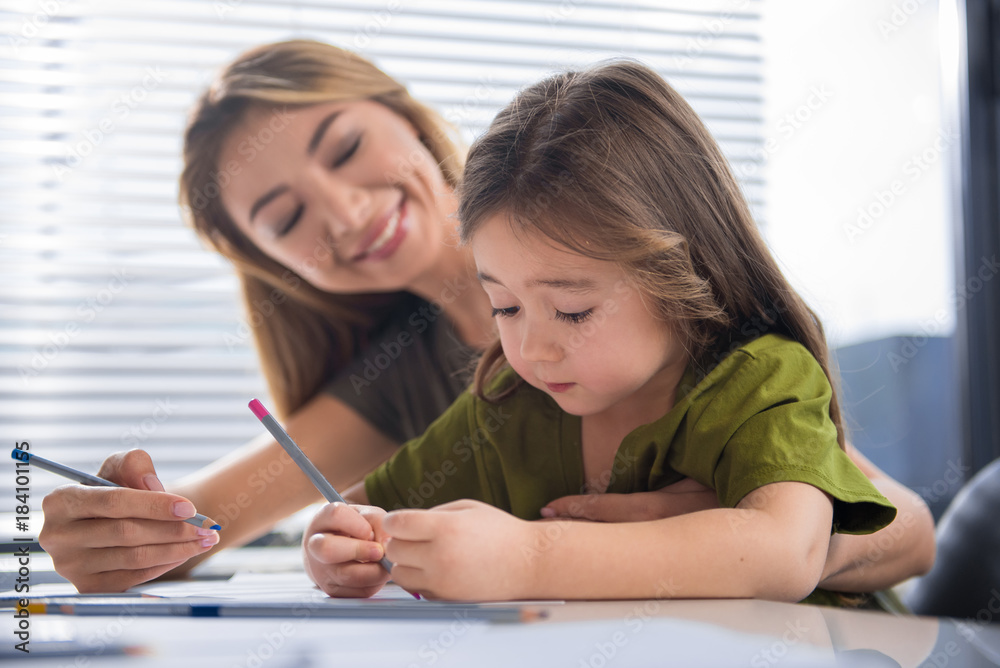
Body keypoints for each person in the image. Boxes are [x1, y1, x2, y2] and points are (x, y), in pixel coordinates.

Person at [38, 41, 933, 595]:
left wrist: (690, 539)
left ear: (403, 114)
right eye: (285, 219)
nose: (344, 213)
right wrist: (117, 535)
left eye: (345, 149)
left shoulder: (617, 250)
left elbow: (896, 528)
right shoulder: (433, 383)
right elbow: (204, 522)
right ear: (276, 268)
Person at [301, 59, 928, 605]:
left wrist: (529, 557)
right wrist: (339, 545)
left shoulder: (757, 381)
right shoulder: (507, 406)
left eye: (573, 311)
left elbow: (785, 553)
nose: (531, 350)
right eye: (504, 307)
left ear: (681, 273)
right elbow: (361, 512)